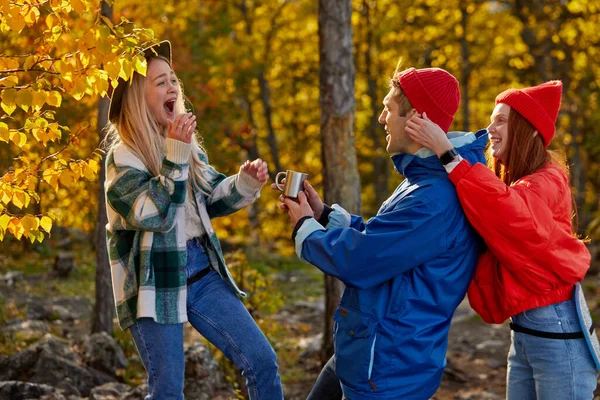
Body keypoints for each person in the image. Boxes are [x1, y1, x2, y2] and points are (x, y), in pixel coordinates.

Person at [276, 67, 488, 399]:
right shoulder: (424, 182)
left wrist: (305, 228)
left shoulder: (433, 199)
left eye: (388, 108)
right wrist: (322, 214)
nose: (381, 118)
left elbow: (362, 260)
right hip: (372, 347)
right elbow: (384, 242)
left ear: (417, 118)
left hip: (389, 367)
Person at [104, 41, 283, 400]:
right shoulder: (122, 158)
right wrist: (175, 153)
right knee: (168, 389)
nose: (172, 87)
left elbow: (211, 198)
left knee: (262, 360)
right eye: (160, 82)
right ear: (139, 98)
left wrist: (245, 182)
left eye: (174, 80)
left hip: (201, 269)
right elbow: (154, 215)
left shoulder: (186, 147)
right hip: (153, 281)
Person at [405, 80, 598, 399]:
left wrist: (447, 153)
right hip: (526, 333)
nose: (489, 127)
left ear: (529, 130)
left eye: (501, 120)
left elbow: (510, 213)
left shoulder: (545, 182)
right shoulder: (523, 182)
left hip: (558, 335)